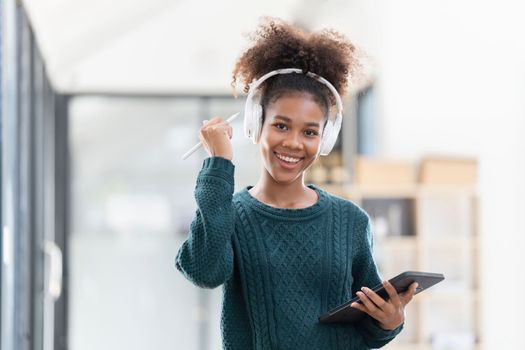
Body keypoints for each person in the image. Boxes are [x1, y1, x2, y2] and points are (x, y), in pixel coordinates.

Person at [175, 17, 418, 350]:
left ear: (325, 139)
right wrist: (218, 164)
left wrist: (391, 322)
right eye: (281, 126)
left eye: (309, 132)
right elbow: (204, 271)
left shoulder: (350, 221)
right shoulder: (228, 213)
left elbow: (369, 325)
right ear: (256, 123)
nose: (293, 143)